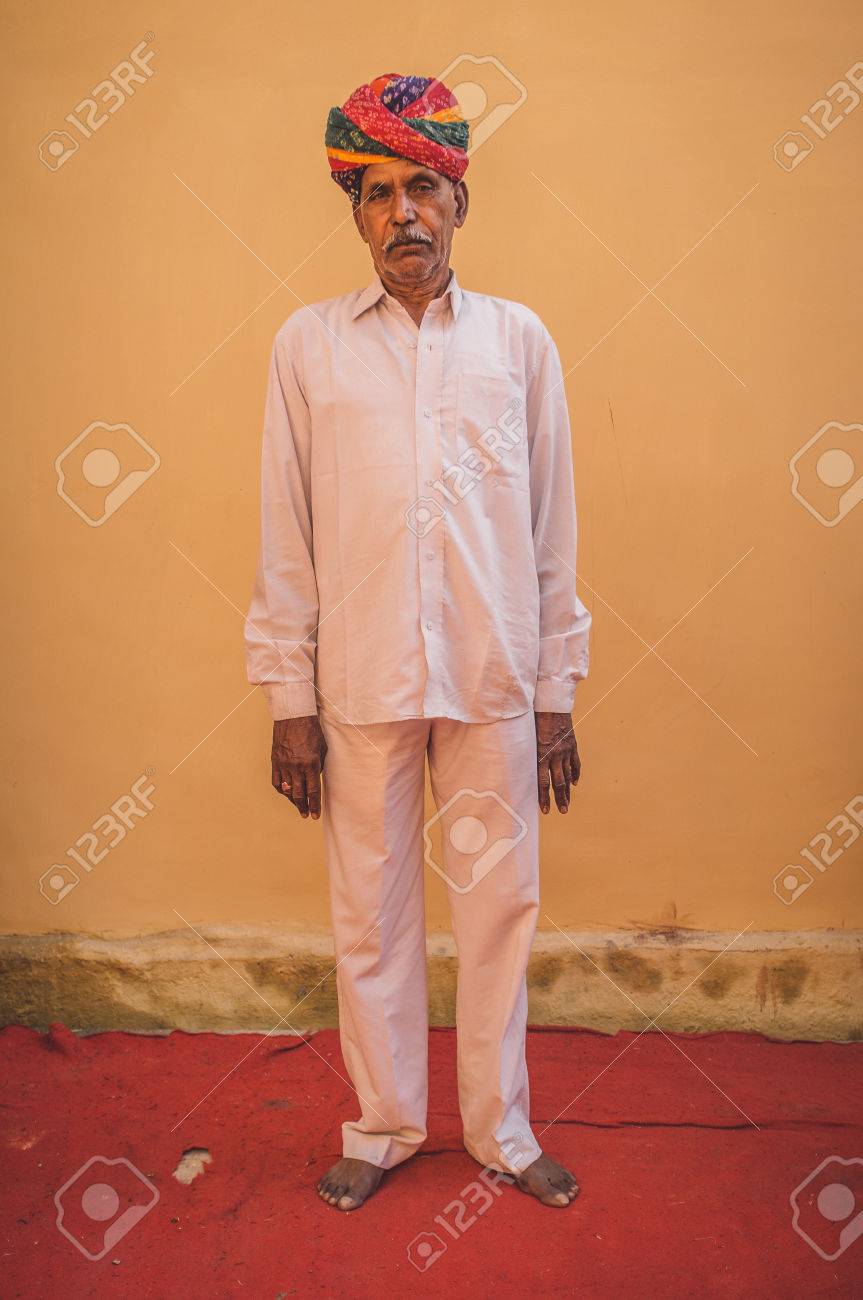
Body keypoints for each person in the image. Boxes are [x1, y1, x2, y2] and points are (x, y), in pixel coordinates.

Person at [244, 71, 591, 1212]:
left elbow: (550, 526)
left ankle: (499, 1130)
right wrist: (286, 694)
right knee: (370, 916)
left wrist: (554, 690)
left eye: (425, 189)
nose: (404, 213)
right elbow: (282, 529)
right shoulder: (308, 348)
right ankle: (384, 1124)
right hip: (358, 682)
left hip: (491, 677)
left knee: (498, 910)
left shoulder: (517, 341)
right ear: (354, 211)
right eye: (379, 191)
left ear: (459, 202)